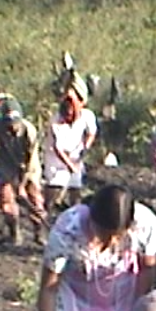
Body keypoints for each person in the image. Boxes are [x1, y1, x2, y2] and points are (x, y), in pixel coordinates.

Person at [0, 98, 45, 245]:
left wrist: (22, 185)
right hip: (6, 163)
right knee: (7, 199)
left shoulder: (29, 131)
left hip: (29, 165)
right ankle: (15, 233)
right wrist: (11, 180)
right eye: (9, 124)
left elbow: (31, 161)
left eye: (15, 124)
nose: (12, 128)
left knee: (35, 199)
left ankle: (39, 233)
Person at [42, 75, 98, 211]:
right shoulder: (56, 121)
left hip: (76, 156)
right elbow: (57, 148)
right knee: (54, 187)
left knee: (75, 188)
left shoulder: (87, 116)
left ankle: (75, 212)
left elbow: (91, 133)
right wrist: (69, 164)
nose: (69, 118)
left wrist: (85, 147)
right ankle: (47, 211)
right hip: (55, 159)